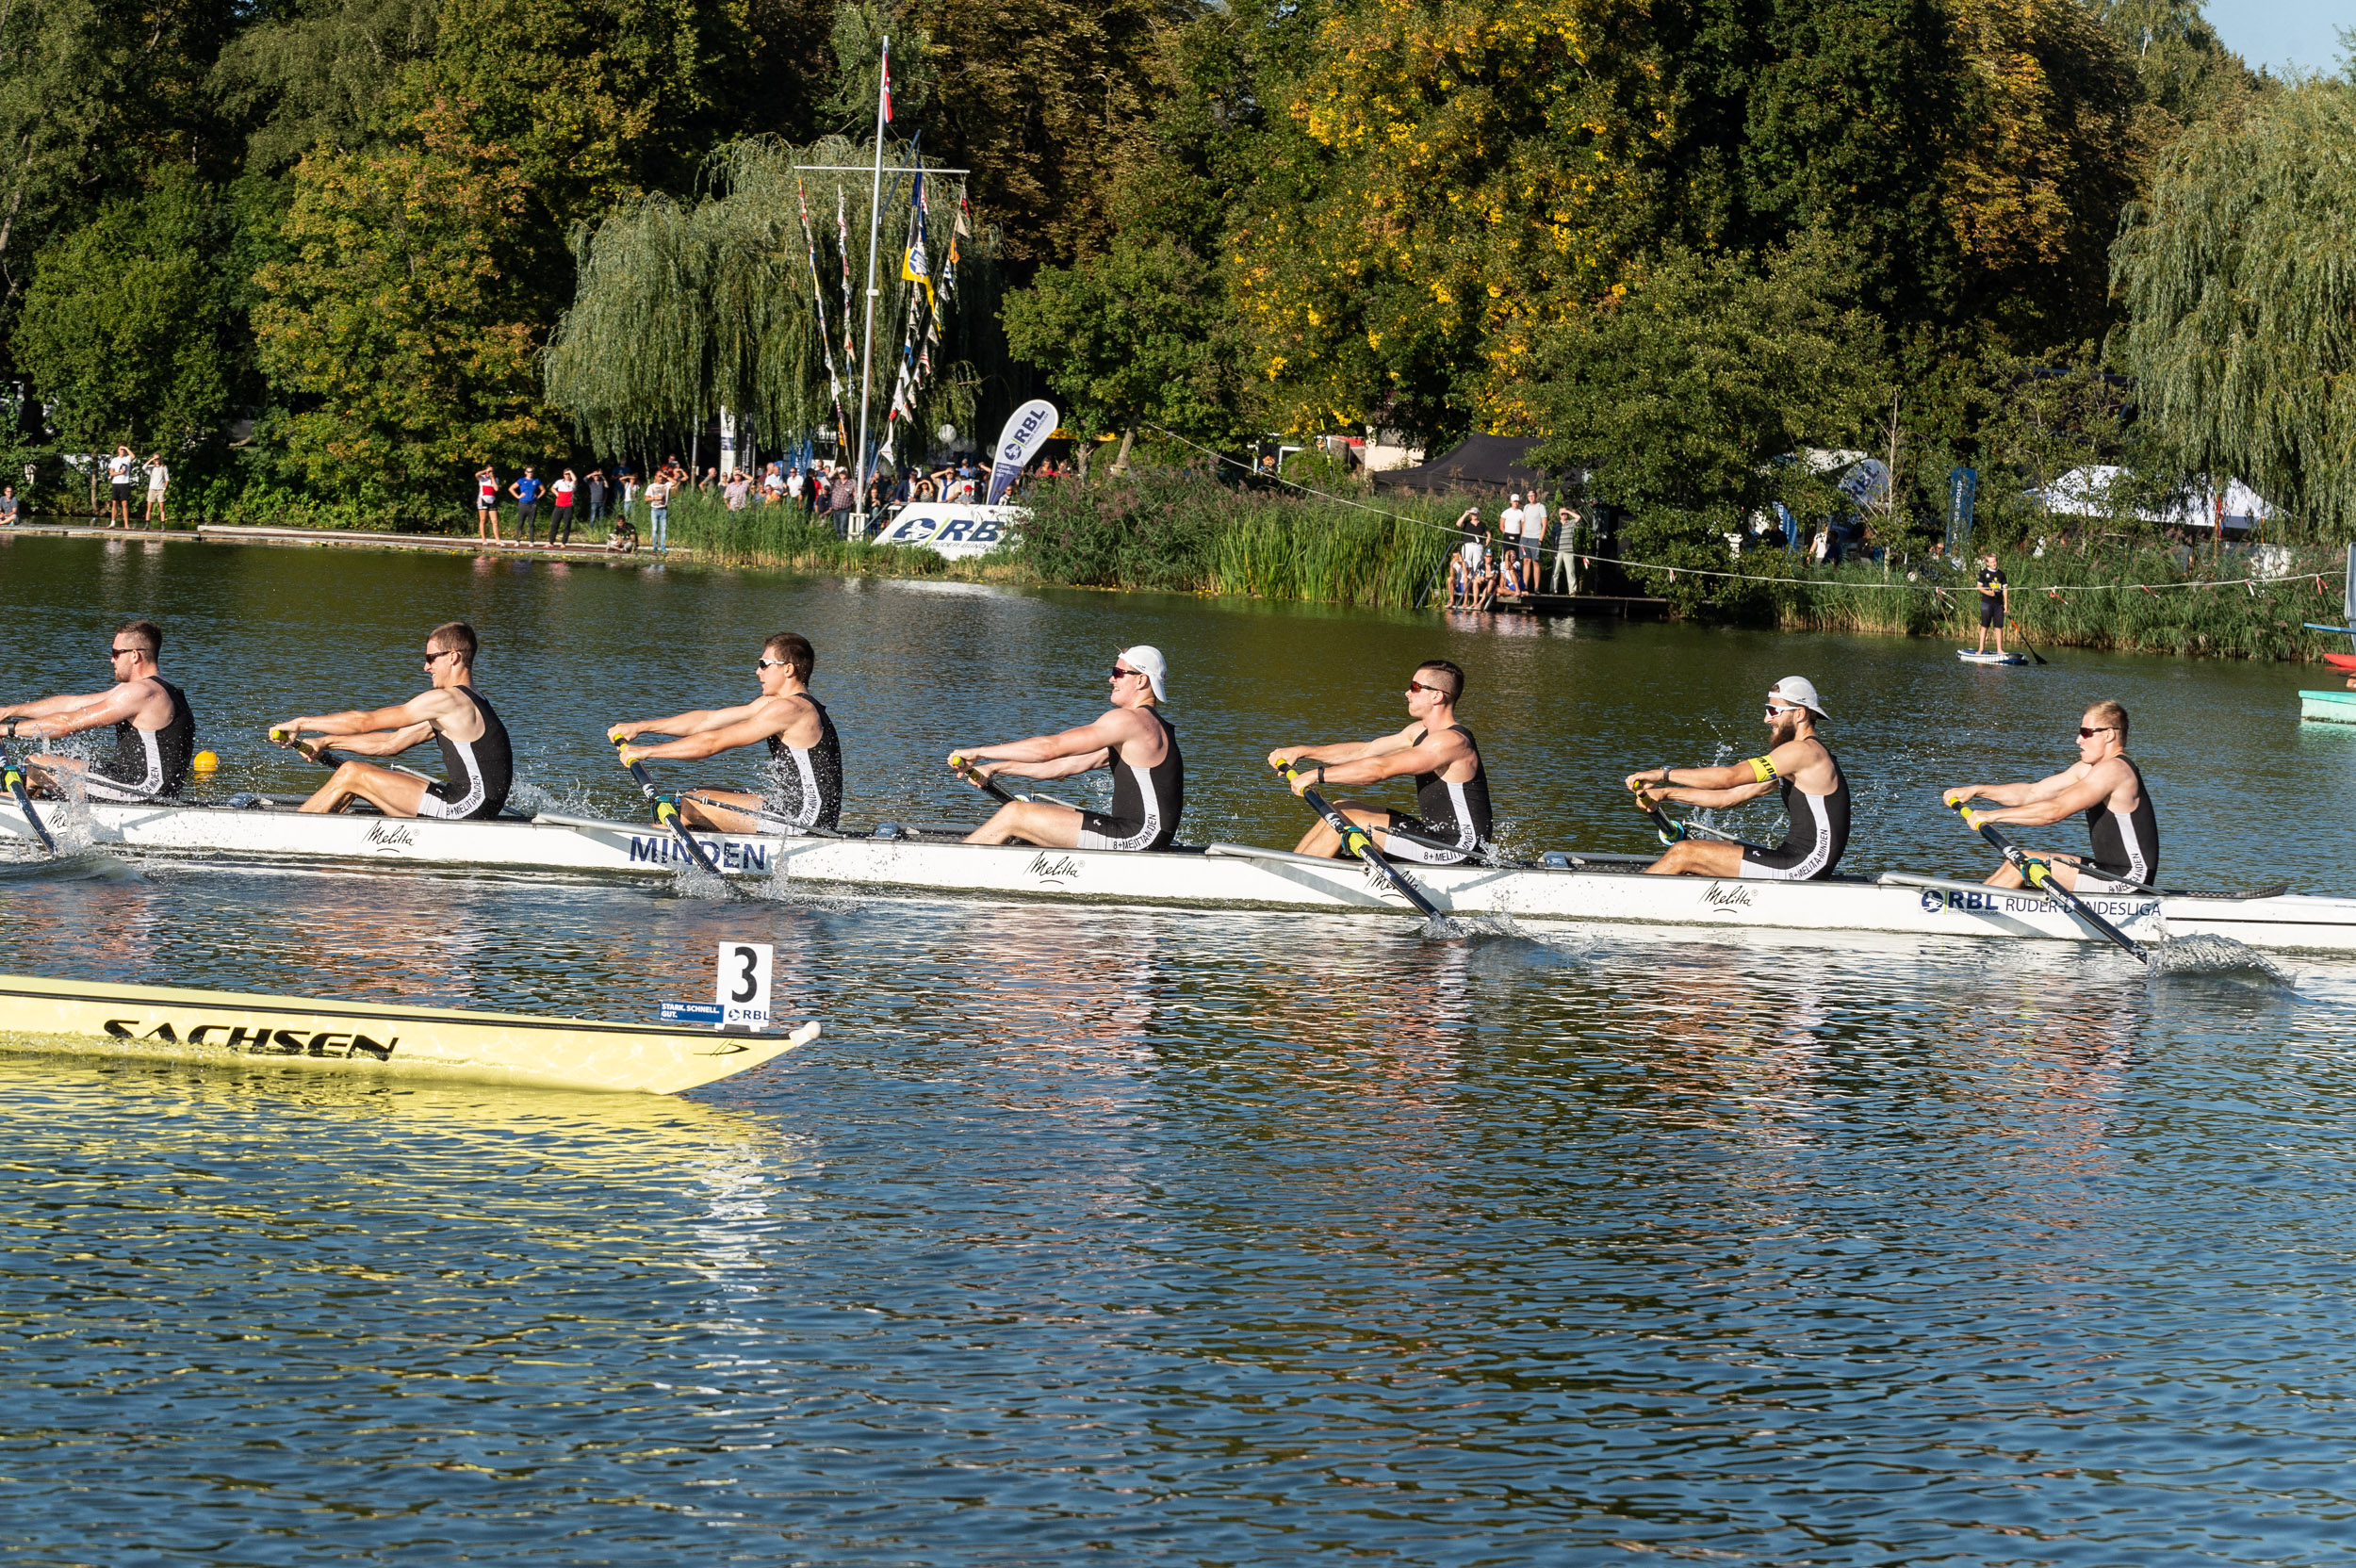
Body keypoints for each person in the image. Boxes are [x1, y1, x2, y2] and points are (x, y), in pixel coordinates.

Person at [270, 621, 513, 820]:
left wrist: (300, 723)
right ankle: (319, 830)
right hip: (475, 804)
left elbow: (364, 722)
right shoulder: (468, 701)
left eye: (431, 658)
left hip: (466, 806)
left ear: (453, 657)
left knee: (352, 773)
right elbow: (391, 743)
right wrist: (326, 742)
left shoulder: (449, 700)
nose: (425, 667)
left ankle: (288, 834)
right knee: (362, 776)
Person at [951, 646, 1182, 851]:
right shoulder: (1149, 727)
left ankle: (952, 867)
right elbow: (1063, 765)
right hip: (1144, 834)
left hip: (1139, 837)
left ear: (1141, 680)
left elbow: (1049, 749)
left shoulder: (1129, 721)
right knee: (1028, 813)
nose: (1112, 679)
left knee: (1015, 814)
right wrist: (994, 768)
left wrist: (979, 751)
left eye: (1118, 673)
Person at [611, 633, 843, 834]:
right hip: (790, 808)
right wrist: (640, 727)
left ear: (788, 669)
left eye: (764, 664)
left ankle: (653, 843)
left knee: (692, 803)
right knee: (693, 797)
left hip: (806, 821)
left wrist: (647, 752)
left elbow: (712, 743)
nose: (757, 671)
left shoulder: (791, 709)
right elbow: (707, 721)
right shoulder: (776, 704)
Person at [1624, 677, 1850, 880]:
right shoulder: (1798, 759)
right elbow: (1729, 796)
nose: (1766, 719)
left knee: (1685, 853)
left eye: (1773, 711)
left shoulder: (1804, 752)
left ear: (1799, 713)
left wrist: (1663, 774)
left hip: (1805, 865)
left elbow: (1729, 778)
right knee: (1697, 853)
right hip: (1795, 859)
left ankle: (1625, 902)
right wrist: (1667, 794)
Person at [1267, 660, 1491, 865]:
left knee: (1353, 818)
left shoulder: (1450, 742)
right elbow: (1366, 750)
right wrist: (1303, 751)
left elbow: (1379, 769)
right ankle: (1294, 866)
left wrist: (1317, 775)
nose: (1407, 693)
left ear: (1437, 696)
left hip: (1461, 849)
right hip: (1435, 836)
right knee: (1341, 807)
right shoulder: (1419, 732)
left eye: (1415, 687)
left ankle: (1294, 876)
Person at [1943, 700, 2156, 891]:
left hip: (2130, 878)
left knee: (2024, 862)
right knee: (2016, 861)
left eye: (2085, 732)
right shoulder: (2087, 769)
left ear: (2109, 735)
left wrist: (1993, 816)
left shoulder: (2115, 771)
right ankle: (1970, 904)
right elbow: (2032, 793)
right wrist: (1977, 790)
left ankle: (1967, 911)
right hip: (2107, 870)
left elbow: (2054, 812)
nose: (2078, 740)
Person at [0, 619, 197, 801]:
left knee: (36, 765)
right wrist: (9, 711)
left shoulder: (142, 692)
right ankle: (25, 802)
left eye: (115, 653)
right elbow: (71, 705)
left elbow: (66, 725)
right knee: (41, 768)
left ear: (135, 655)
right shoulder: (156, 689)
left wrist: (7, 730)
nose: (112, 660)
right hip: (132, 781)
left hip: (144, 791)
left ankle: (17, 805)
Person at [1975, 552, 2010, 654]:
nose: (1994, 564)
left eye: (1995, 561)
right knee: (1984, 625)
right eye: (1991, 562)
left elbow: (2005, 589)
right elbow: (1979, 587)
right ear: (1987, 563)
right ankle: (1981, 649)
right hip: (1986, 603)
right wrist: (1987, 592)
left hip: (1998, 604)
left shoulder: (2001, 574)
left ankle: (1999, 649)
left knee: (1998, 627)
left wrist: (2006, 604)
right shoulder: (1983, 573)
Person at [510, 466, 543, 545]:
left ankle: (531, 541)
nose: (530, 473)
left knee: (531, 523)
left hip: (532, 504)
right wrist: (518, 496)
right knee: (520, 523)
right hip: (523, 504)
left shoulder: (536, 481)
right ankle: (517, 540)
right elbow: (511, 488)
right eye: (528, 472)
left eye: (531, 472)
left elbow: (543, 490)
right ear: (525, 472)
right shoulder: (521, 480)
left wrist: (538, 496)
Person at [644, 469, 673, 555]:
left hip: (664, 510)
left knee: (663, 530)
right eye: (659, 476)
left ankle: (663, 547)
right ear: (655, 477)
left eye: (662, 476)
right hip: (654, 510)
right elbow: (646, 498)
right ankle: (655, 547)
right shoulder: (651, 486)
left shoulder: (666, 485)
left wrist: (666, 476)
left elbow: (675, 482)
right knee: (655, 529)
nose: (661, 478)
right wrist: (655, 498)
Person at [106, 445, 136, 527]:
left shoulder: (127, 459)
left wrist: (126, 448)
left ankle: (126, 524)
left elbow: (133, 456)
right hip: (116, 483)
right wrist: (120, 473)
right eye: (121, 449)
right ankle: (112, 523)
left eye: (123, 450)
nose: (122, 451)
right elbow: (111, 473)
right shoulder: (114, 460)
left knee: (125, 504)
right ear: (118, 450)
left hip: (125, 483)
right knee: (114, 503)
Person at [549, 468, 577, 547]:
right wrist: (557, 494)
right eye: (566, 474)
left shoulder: (572, 483)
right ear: (563, 474)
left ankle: (563, 543)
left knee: (567, 525)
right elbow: (552, 488)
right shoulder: (559, 482)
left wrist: (571, 471)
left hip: (568, 506)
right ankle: (551, 542)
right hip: (558, 505)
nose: (567, 475)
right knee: (554, 524)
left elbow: (575, 479)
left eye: (568, 474)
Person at [475, 464, 501, 542]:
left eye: (492, 470)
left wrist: (492, 478)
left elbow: (496, 489)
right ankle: (484, 539)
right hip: (483, 499)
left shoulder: (496, 479)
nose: (491, 472)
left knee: (495, 521)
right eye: (490, 470)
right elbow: (476, 475)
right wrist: (486, 471)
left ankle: (497, 540)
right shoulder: (482, 478)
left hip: (492, 500)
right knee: (483, 520)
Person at [143, 453, 169, 527]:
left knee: (162, 508)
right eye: (155, 459)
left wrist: (164, 489)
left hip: (160, 490)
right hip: (152, 489)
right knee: (149, 508)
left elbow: (167, 480)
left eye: (158, 459)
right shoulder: (151, 467)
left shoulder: (164, 467)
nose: (157, 460)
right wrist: (151, 459)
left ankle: (163, 525)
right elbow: (143, 467)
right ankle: (147, 524)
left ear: (160, 459)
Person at [828, 466, 855, 538]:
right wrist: (835, 470)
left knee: (843, 527)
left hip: (845, 509)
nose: (842, 474)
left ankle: (843, 542)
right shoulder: (836, 481)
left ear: (847, 473)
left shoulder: (851, 482)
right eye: (840, 473)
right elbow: (829, 476)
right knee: (837, 528)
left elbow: (852, 492)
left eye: (844, 472)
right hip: (836, 509)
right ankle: (838, 543)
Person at [585, 468, 609, 532]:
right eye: (595, 475)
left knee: (601, 517)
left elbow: (607, 486)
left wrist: (602, 476)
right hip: (594, 502)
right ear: (593, 476)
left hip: (602, 502)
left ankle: (601, 530)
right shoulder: (591, 482)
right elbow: (585, 479)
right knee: (593, 517)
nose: (596, 476)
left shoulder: (601, 482)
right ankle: (591, 530)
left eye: (597, 475)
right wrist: (593, 473)